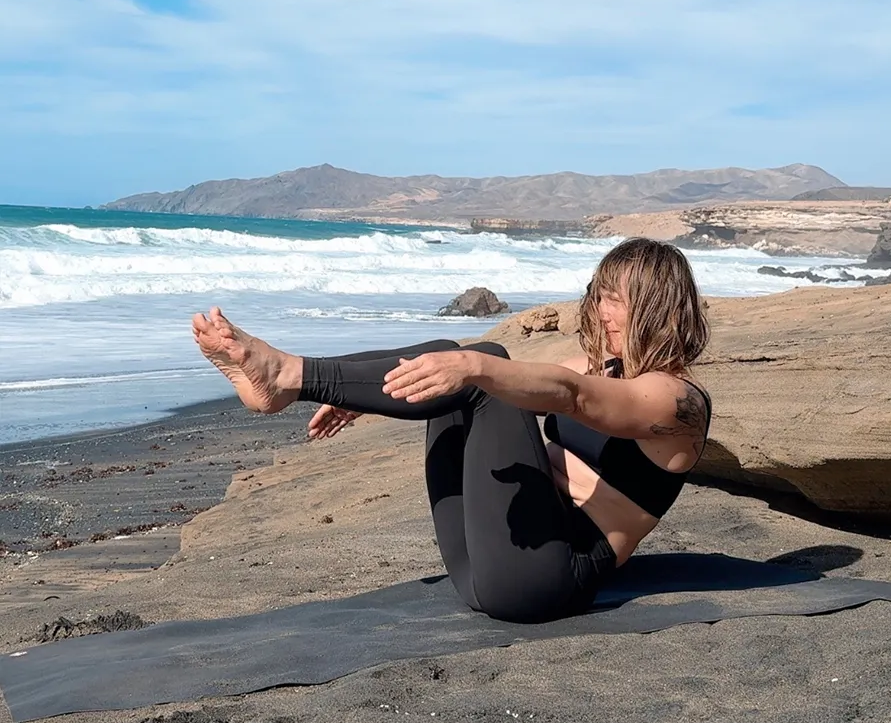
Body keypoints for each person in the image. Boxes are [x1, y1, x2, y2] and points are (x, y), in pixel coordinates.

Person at [191, 237, 711, 624]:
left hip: (548, 580)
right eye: (600, 296)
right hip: (483, 562)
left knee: (481, 367)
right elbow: (521, 382)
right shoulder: (604, 367)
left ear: (655, 306)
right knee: (462, 359)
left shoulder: (676, 400)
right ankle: (298, 378)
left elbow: (566, 394)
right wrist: (361, 396)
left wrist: (472, 370)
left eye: (616, 300)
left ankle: (287, 375)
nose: (601, 311)